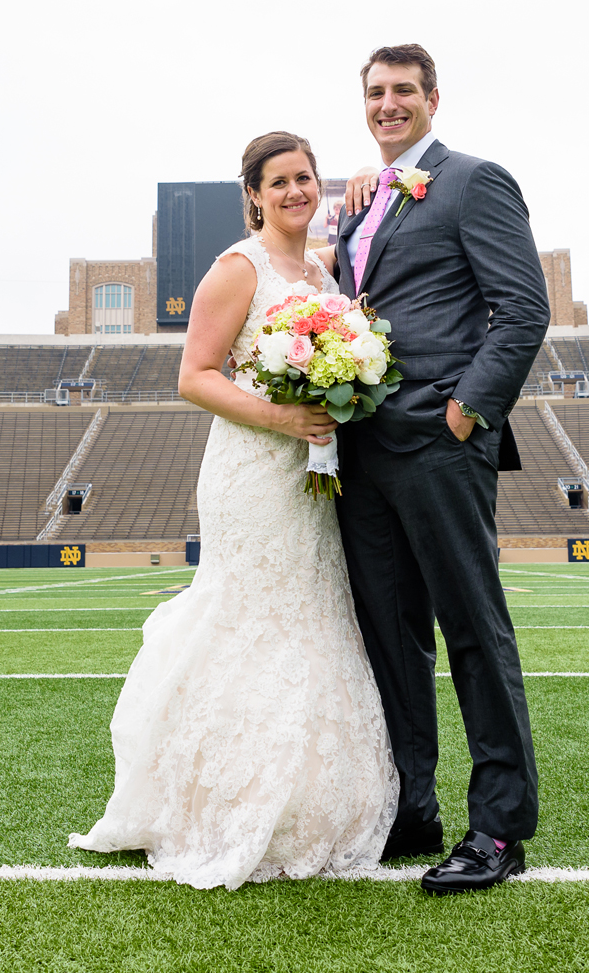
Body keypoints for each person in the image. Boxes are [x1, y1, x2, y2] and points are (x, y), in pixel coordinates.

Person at [69, 131, 398, 890]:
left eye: (305, 178)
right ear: (253, 193)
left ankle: (313, 802)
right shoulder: (235, 266)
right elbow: (194, 375)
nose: (294, 191)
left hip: (313, 471)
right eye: (278, 180)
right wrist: (282, 418)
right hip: (253, 470)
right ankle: (223, 804)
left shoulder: (323, 268)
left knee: (314, 614)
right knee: (250, 615)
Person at [333, 43, 552, 894]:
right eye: (376, 93)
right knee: (390, 638)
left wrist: (466, 410)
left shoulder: (472, 179)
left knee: (472, 629)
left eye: (403, 92)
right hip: (362, 449)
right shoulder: (359, 204)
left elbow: (522, 305)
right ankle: (410, 806)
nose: (389, 105)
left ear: (433, 99)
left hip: (438, 439)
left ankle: (499, 827)